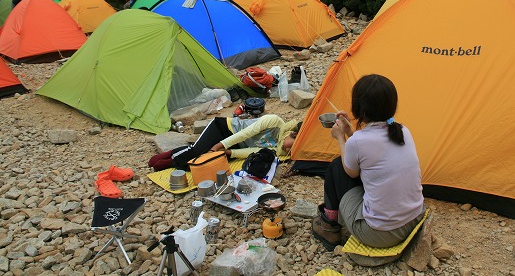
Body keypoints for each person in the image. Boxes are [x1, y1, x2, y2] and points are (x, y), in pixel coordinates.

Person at [312, 74, 425, 252]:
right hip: (414, 219)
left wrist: (340, 138)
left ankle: (329, 225)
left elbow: (351, 172)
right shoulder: (403, 130)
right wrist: (350, 130)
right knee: (368, 169)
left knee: (336, 166)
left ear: (359, 109)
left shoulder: (358, 141)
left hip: (380, 235)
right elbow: (367, 153)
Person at [148, 114, 301, 171]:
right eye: (290, 146)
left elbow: (252, 151)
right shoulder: (274, 121)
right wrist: (218, 146)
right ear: (292, 134)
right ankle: (169, 157)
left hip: (236, 145)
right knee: (196, 152)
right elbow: (245, 133)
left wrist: (228, 153)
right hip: (225, 128)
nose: (287, 150)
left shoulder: (280, 150)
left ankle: (175, 160)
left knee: (206, 164)